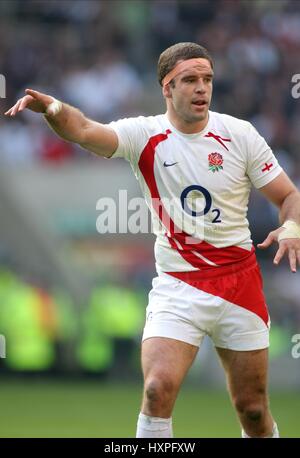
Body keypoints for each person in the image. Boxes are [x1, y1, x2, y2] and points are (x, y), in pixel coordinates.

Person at [5, 42, 300, 438]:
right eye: (190, 80)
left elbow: (289, 196)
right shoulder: (145, 134)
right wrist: (55, 110)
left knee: (252, 410)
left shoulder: (239, 134)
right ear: (166, 88)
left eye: (207, 79)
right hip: (178, 285)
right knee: (157, 389)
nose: (202, 88)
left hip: (239, 284)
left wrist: (292, 226)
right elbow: (84, 131)